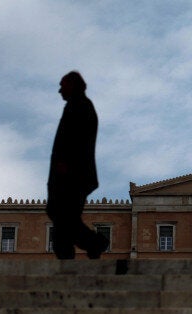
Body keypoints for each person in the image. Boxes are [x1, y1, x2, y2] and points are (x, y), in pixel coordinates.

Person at [46, 71, 109, 259]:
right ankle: (92, 244)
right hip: (68, 174)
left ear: (73, 85)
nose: (59, 90)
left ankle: (93, 244)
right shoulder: (77, 106)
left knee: (63, 219)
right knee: (62, 217)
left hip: (72, 176)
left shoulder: (81, 106)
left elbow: (78, 142)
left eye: (62, 85)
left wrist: (67, 167)